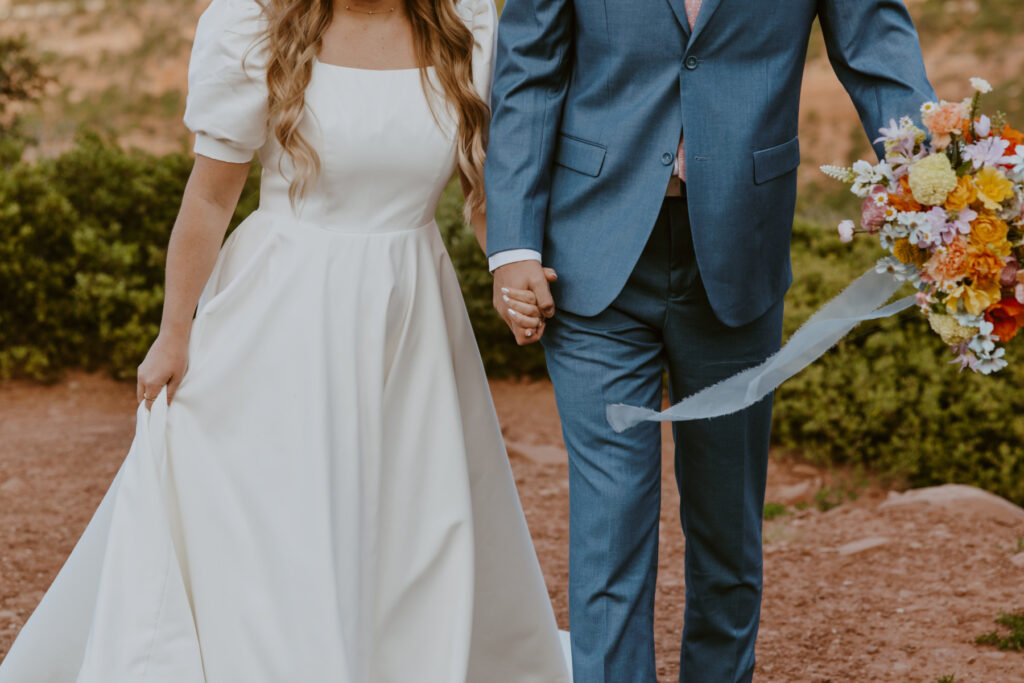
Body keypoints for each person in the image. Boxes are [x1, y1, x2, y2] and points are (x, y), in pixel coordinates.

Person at [0, 0, 570, 680]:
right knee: (284, 521)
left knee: (410, 523)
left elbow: (482, 196)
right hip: (280, 316)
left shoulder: (467, 27)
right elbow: (209, 200)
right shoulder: (254, 26)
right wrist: (172, 334)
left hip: (412, 316)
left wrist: (510, 273)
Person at [484, 0, 936, 681]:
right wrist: (512, 241)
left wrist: (943, 201)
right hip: (590, 254)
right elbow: (528, 67)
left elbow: (880, 55)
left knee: (727, 537)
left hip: (739, 253)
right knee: (609, 537)